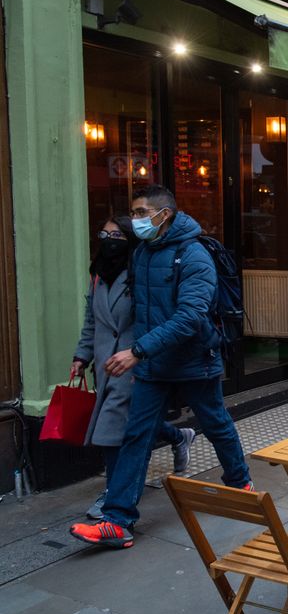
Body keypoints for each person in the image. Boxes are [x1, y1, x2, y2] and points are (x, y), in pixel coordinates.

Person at [70, 185, 251, 549]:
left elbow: (190, 317)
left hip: (193, 362)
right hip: (153, 365)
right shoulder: (144, 254)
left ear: (163, 214)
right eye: (134, 214)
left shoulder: (194, 256)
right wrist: (91, 350)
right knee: (135, 435)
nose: (135, 220)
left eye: (140, 213)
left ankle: (241, 484)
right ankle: (118, 520)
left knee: (215, 424)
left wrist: (136, 351)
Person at [71, 217, 195, 520]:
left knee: (115, 429)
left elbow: (160, 317)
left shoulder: (141, 273)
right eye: (104, 233)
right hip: (105, 363)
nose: (109, 239)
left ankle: (115, 496)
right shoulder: (98, 275)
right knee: (132, 424)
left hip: (134, 360)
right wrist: (82, 355)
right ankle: (179, 437)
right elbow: (92, 321)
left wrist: (140, 352)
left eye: (117, 234)